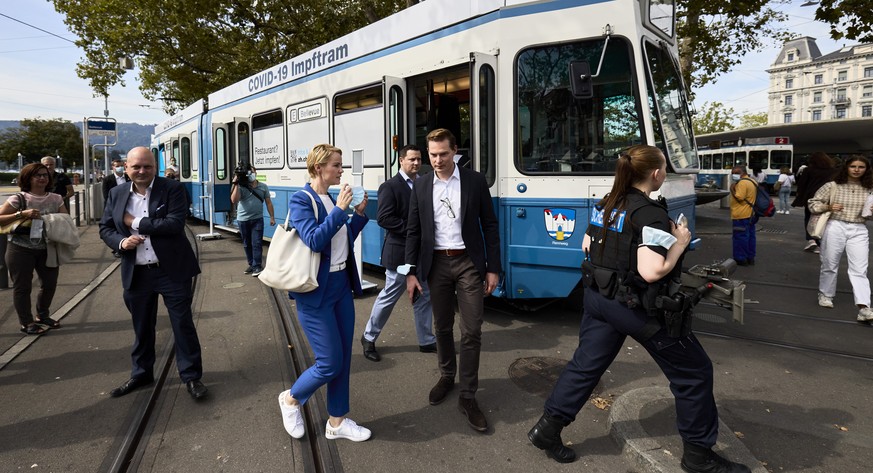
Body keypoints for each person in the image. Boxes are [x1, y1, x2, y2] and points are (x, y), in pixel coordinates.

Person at [527, 145, 750, 473]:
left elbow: (587, 245)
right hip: (633, 307)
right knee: (694, 372)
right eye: (663, 170)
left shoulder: (607, 203)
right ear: (656, 174)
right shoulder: (650, 213)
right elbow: (651, 271)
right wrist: (681, 243)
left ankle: (547, 430)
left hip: (599, 299)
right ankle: (699, 457)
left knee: (585, 366)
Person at [405, 128, 501, 433]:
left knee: (472, 329)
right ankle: (447, 375)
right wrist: (410, 272)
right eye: (432, 154)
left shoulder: (474, 181)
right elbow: (413, 231)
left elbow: (489, 224)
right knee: (441, 326)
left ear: (455, 151)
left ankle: (468, 395)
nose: (436, 160)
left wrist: (493, 268)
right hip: (436, 264)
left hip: (468, 262)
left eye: (443, 154)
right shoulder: (421, 185)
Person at [277, 144, 372, 442]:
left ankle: (337, 422)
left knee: (342, 359)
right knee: (329, 362)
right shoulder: (301, 199)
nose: (341, 170)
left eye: (341, 165)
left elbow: (339, 242)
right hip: (316, 292)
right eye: (336, 165)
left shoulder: (331, 200)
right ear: (318, 167)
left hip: (341, 286)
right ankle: (291, 399)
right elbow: (315, 241)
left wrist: (356, 216)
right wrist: (341, 210)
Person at [99, 146, 207, 400]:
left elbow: (174, 224)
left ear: (154, 167)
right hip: (137, 272)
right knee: (141, 326)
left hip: (171, 271)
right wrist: (121, 243)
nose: (142, 171)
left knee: (182, 325)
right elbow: (105, 228)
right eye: (136, 166)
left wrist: (133, 222)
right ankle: (141, 373)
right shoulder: (116, 194)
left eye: (147, 166)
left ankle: (191, 377)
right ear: (126, 168)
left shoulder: (172, 189)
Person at [360, 145, 437, 362]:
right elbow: (384, 218)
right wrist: (414, 230)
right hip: (400, 253)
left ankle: (426, 340)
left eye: (419, 159)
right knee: (390, 296)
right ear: (401, 161)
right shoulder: (390, 186)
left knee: (424, 296)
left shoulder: (425, 183)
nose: (416, 163)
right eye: (411, 159)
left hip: (422, 253)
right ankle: (368, 337)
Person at [0, 163, 67, 334]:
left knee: (50, 284)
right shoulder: (19, 198)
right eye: (37, 175)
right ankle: (26, 322)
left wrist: (50, 218)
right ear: (28, 178)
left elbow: (65, 220)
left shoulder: (56, 198)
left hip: (47, 247)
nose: (43, 178)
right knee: (22, 287)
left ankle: (42, 315)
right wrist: (21, 214)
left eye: (45, 175)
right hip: (20, 248)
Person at [808, 155, 873, 322]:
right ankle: (825, 294)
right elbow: (812, 204)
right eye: (853, 166)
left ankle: (864, 307)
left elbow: (869, 215)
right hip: (835, 225)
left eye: (861, 167)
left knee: (860, 269)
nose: (857, 170)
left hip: (859, 228)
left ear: (866, 169)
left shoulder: (870, 188)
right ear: (846, 168)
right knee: (830, 263)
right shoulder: (833, 186)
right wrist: (828, 206)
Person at [230, 164, 275, 276]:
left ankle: (257, 266)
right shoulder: (241, 186)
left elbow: (268, 202)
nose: (251, 175)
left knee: (257, 243)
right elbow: (234, 200)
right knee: (247, 244)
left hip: (257, 219)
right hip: (243, 220)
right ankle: (251, 264)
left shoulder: (263, 186)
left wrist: (272, 217)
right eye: (249, 173)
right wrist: (235, 182)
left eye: (253, 172)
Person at [793, 152, 836, 253]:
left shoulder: (808, 170)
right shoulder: (833, 171)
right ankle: (821, 241)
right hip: (827, 198)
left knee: (809, 218)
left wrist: (800, 196)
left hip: (811, 197)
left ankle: (811, 239)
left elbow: (802, 184)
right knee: (825, 219)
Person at [729, 166, 757, 266]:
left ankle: (741, 258)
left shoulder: (742, 183)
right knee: (750, 237)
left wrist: (732, 189)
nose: (733, 175)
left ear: (741, 173)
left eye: (735, 173)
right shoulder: (752, 181)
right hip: (750, 214)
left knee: (740, 237)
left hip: (741, 214)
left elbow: (739, 197)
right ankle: (750, 257)